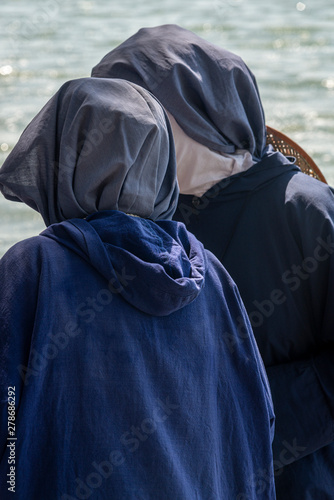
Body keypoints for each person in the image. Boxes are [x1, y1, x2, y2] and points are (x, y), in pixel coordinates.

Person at [0, 77, 275, 499]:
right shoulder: (211, 275)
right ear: (161, 165)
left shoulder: (33, 268)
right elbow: (256, 414)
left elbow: (8, 416)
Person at [91, 24, 334, 499]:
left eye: (140, 116)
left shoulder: (308, 211)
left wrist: (229, 418)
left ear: (196, 115)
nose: (123, 136)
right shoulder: (139, 222)